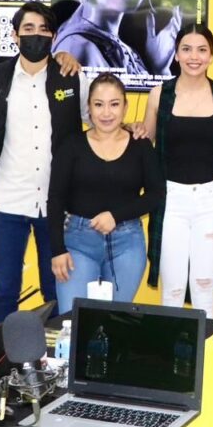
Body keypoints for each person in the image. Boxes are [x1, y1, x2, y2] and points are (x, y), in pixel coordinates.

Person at [0, 1, 87, 325]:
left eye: (43, 29)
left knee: (55, 290)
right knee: (4, 291)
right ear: (14, 35)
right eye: (28, 29)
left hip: (57, 204)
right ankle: (1, 353)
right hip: (6, 201)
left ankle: (53, 353)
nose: (36, 35)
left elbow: (98, 121)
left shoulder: (72, 77)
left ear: (53, 36)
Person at [48, 73, 165, 313]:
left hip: (127, 244)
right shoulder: (71, 145)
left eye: (114, 104)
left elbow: (156, 194)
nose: (106, 113)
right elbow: (56, 199)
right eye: (99, 104)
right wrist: (58, 250)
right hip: (78, 243)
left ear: (125, 107)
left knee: (115, 322)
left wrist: (116, 216)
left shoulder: (140, 144)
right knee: (72, 320)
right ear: (89, 108)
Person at [143, 24, 213, 317]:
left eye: (202, 50)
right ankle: (170, 344)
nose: (194, 57)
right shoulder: (159, 94)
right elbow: (145, 141)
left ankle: (204, 346)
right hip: (171, 201)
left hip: (211, 200)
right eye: (187, 49)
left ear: (212, 56)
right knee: (173, 288)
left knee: (205, 285)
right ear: (176, 54)